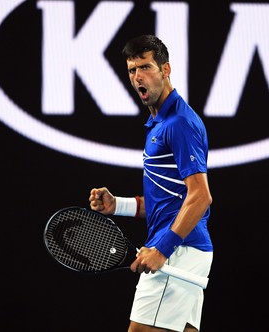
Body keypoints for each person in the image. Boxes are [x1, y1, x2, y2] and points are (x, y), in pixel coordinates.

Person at [89, 34, 213, 332]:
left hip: (178, 250)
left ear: (165, 70)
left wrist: (162, 249)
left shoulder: (179, 123)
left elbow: (200, 197)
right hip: (186, 250)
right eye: (132, 70)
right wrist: (117, 205)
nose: (138, 77)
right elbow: (169, 201)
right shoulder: (159, 124)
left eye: (145, 67)